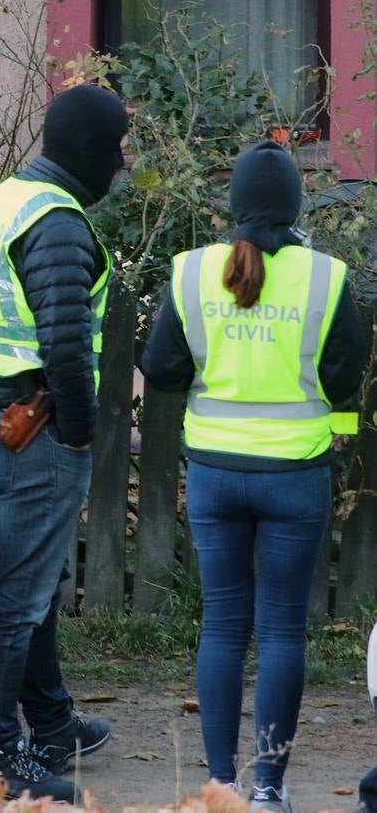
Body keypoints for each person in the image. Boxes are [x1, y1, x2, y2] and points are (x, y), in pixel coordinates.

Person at [142, 140, 366, 811]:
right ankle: (268, 790)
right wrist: (336, 433)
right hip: (296, 475)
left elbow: (160, 371)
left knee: (223, 626)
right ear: (296, 205)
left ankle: (220, 787)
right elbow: (344, 380)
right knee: (281, 631)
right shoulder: (327, 277)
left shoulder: (189, 273)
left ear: (233, 204)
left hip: (214, 473)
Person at [0, 84, 128, 802]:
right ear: (92, 149)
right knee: (19, 596)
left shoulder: (8, 199)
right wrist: (82, 436)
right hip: (38, 423)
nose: (120, 164)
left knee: (35, 584)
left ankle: (52, 721)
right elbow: (64, 344)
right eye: (116, 148)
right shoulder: (57, 223)